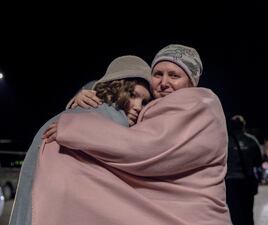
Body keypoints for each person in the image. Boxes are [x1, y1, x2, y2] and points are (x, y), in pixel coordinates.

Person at [42, 44, 231, 224]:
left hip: (193, 218)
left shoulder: (202, 105)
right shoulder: (157, 111)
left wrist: (75, 128)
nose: (164, 82)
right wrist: (88, 96)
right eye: (158, 74)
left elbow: (144, 148)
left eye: (174, 75)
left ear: (191, 81)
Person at [9, 55, 153, 225]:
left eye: (144, 102)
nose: (138, 107)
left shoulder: (80, 111)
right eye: (133, 95)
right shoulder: (113, 119)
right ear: (118, 88)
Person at [225, 114, 263, 225]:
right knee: (248, 212)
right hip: (247, 181)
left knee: (234, 213)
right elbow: (258, 162)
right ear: (243, 126)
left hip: (230, 181)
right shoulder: (252, 140)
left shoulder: (225, 141)